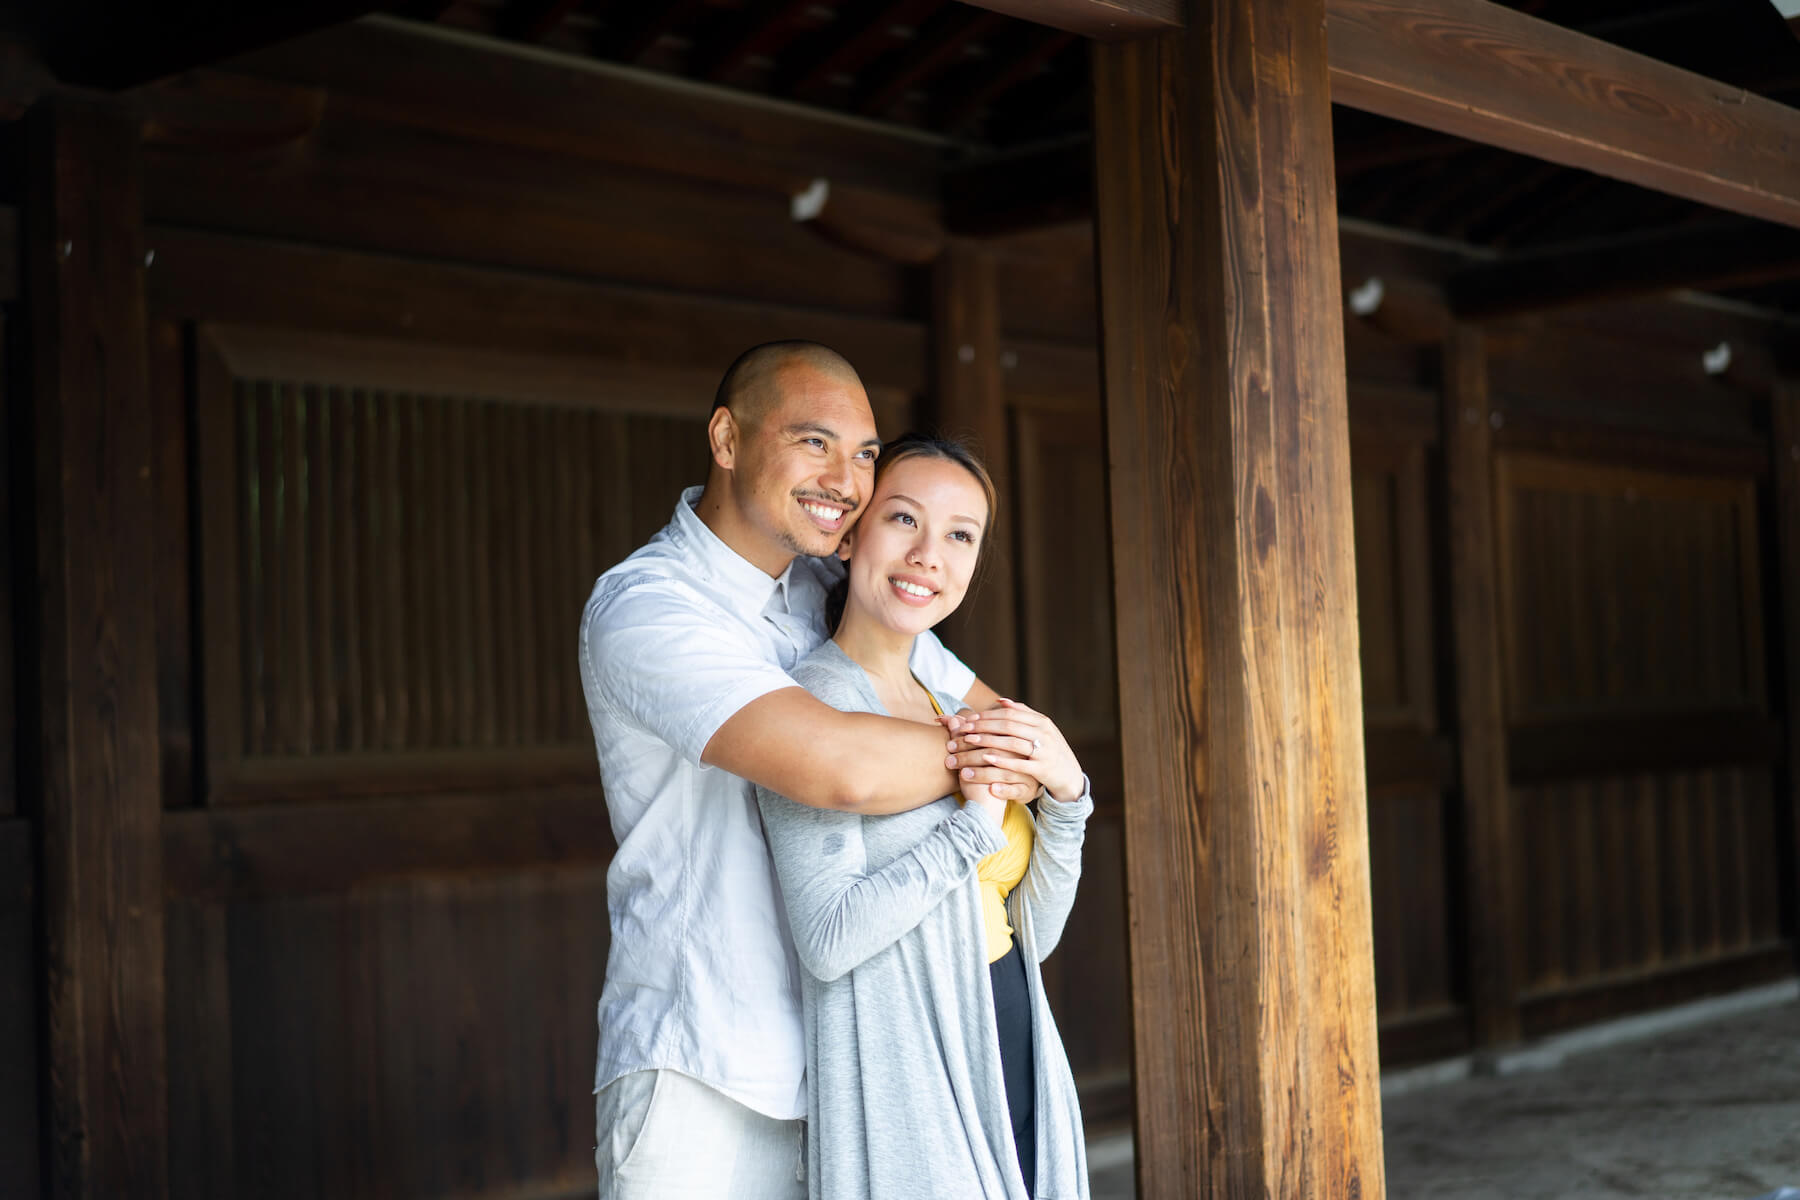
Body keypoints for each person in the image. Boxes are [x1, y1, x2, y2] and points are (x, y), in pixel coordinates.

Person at [577, 342, 1036, 1199]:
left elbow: (997, 719)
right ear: (726, 437)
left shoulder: (838, 580)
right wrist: (995, 767)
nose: (847, 478)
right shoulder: (649, 607)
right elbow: (840, 770)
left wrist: (1020, 757)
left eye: (864, 453)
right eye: (814, 443)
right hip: (708, 1072)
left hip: (859, 1069)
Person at [756, 434, 1094, 1200]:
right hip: (911, 1063)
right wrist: (972, 827)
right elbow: (828, 938)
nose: (928, 555)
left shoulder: (953, 707)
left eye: (959, 536)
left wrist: (1070, 801)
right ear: (851, 536)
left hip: (1014, 1028)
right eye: (904, 520)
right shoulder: (810, 709)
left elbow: (1033, 930)